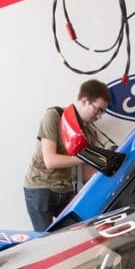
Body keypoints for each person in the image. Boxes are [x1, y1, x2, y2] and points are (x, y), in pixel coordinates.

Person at [23, 79, 111, 232]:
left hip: (67, 190)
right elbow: (50, 160)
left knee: (74, 236)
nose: (99, 117)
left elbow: (84, 174)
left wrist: (110, 175)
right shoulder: (54, 116)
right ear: (84, 101)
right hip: (41, 188)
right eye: (98, 110)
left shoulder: (88, 132)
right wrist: (86, 157)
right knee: (45, 241)